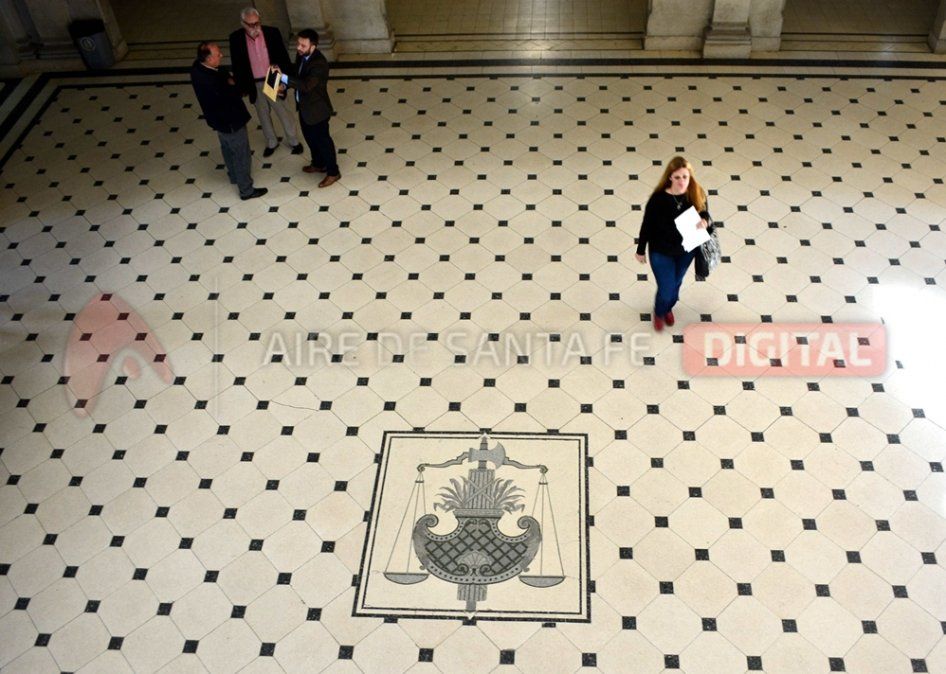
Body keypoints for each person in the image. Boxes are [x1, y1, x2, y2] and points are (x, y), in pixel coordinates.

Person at [635, 156, 711, 331]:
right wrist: (640, 250)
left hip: (686, 250)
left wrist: (705, 221)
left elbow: (705, 212)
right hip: (661, 251)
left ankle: (668, 306)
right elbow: (646, 226)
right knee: (667, 287)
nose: (682, 181)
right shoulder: (658, 200)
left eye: (685, 177)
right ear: (669, 177)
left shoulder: (696, 192)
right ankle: (660, 311)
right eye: (677, 177)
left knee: (676, 284)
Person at [190, 41, 267, 201]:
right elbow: (231, 93)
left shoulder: (197, 68)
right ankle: (246, 189)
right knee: (241, 153)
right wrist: (234, 85)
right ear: (209, 59)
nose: (221, 56)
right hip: (230, 120)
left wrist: (230, 82)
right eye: (218, 54)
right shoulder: (211, 81)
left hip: (218, 121)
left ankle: (234, 176)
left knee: (227, 148)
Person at [228, 7, 303, 158]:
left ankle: (293, 141)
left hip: (272, 77)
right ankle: (271, 142)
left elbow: (283, 57)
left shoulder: (271, 33)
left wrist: (285, 81)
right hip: (253, 81)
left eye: (257, 23)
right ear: (243, 23)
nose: (255, 27)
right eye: (250, 24)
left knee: (283, 111)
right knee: (262, 114)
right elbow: (237, 64)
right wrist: (241, 86)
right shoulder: (235, 38)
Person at [274, 28, 340, 188]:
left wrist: (282, 76)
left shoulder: (319, 64)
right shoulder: (301, 56)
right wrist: (284, 84)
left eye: (303, 45)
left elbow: (305, 85)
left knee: (324, 141)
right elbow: (298, 77)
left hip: (317, 110)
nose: (299, 48)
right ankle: (318, 163)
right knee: (310, 138)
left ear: (313, 46)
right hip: (304, 108)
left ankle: (333, 172)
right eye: (298, 44)